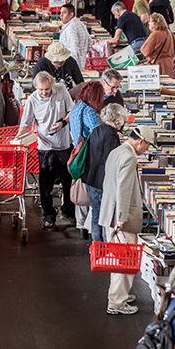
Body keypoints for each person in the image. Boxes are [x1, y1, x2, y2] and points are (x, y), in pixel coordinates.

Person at [98, 125, 150, 316]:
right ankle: (117, 302)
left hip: (108, 212)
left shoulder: (117, 151)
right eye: (147, 146)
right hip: (121, 219)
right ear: (140, 141)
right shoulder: (130, 157)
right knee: (124, 261)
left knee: (119, 259)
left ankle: (120, 295)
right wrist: (121, 219)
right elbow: (124, 190)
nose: (146, 150)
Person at [21, 72, 75, 232]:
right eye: (41, 90)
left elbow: (73, 111)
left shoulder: (61, 90)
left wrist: (63, 122)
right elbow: (25, 123)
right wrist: (18, 139)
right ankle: (48, 217)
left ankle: (68, 212)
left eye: (47, 89)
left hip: (64, 145)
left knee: (69, 182)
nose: (44, 92)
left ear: (51, 84)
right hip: (45, 148)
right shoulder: (32, 100)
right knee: (45, 186)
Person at [84, 103, 125, 244]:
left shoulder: (97, 129)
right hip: (103, 181)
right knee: (106, 216)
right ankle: (106, 245)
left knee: (96, 213)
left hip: (91, 177)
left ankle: (96, 244)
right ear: (118, 120)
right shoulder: (111, 135)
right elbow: (111, 160)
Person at [68, 81, 104, 240]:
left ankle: (81, 225)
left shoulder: (76, 108)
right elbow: (98, 132)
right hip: (89, 154)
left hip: (77, 151)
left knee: (80, 187)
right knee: (92, 192)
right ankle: (90, 228)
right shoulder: (89, 111)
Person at [59, 4, 93, 70]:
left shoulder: (71, 28)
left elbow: (73, 50)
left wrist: (72, 68)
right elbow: (90, 43)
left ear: (71, 15)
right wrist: (82, 54)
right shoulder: (80, 23)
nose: (61, 15)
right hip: (81, 63)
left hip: (72, 67)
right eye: (60, 13)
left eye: (64, 13)